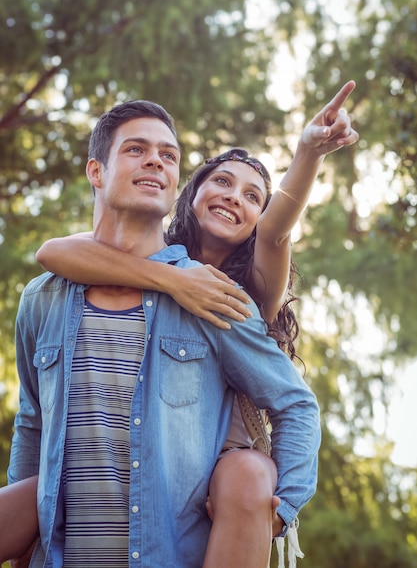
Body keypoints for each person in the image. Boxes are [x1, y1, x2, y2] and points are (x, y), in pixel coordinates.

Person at [7, 98, 322, 568]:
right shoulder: (43, 299)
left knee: (248, 473)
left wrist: (281, 510)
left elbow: (296, 402)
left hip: (188, 523)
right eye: (136, 149)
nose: (155, 159)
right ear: (97, 171)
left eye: (169, 155)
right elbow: (32, 423)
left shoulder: (227, 296)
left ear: (172, 184)